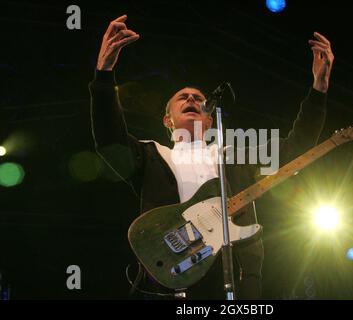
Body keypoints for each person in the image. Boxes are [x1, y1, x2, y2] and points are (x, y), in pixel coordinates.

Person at [89, 14, 334, 299]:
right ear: (168, 120)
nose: (192, 100)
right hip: (171, 276)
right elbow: (109, 141)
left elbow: (296, 148)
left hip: (233, 277)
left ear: (208, 121)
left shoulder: (235, 158)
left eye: (197, 98)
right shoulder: (152, 155)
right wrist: (103, 74)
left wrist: (319, 89)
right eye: (183, 98)